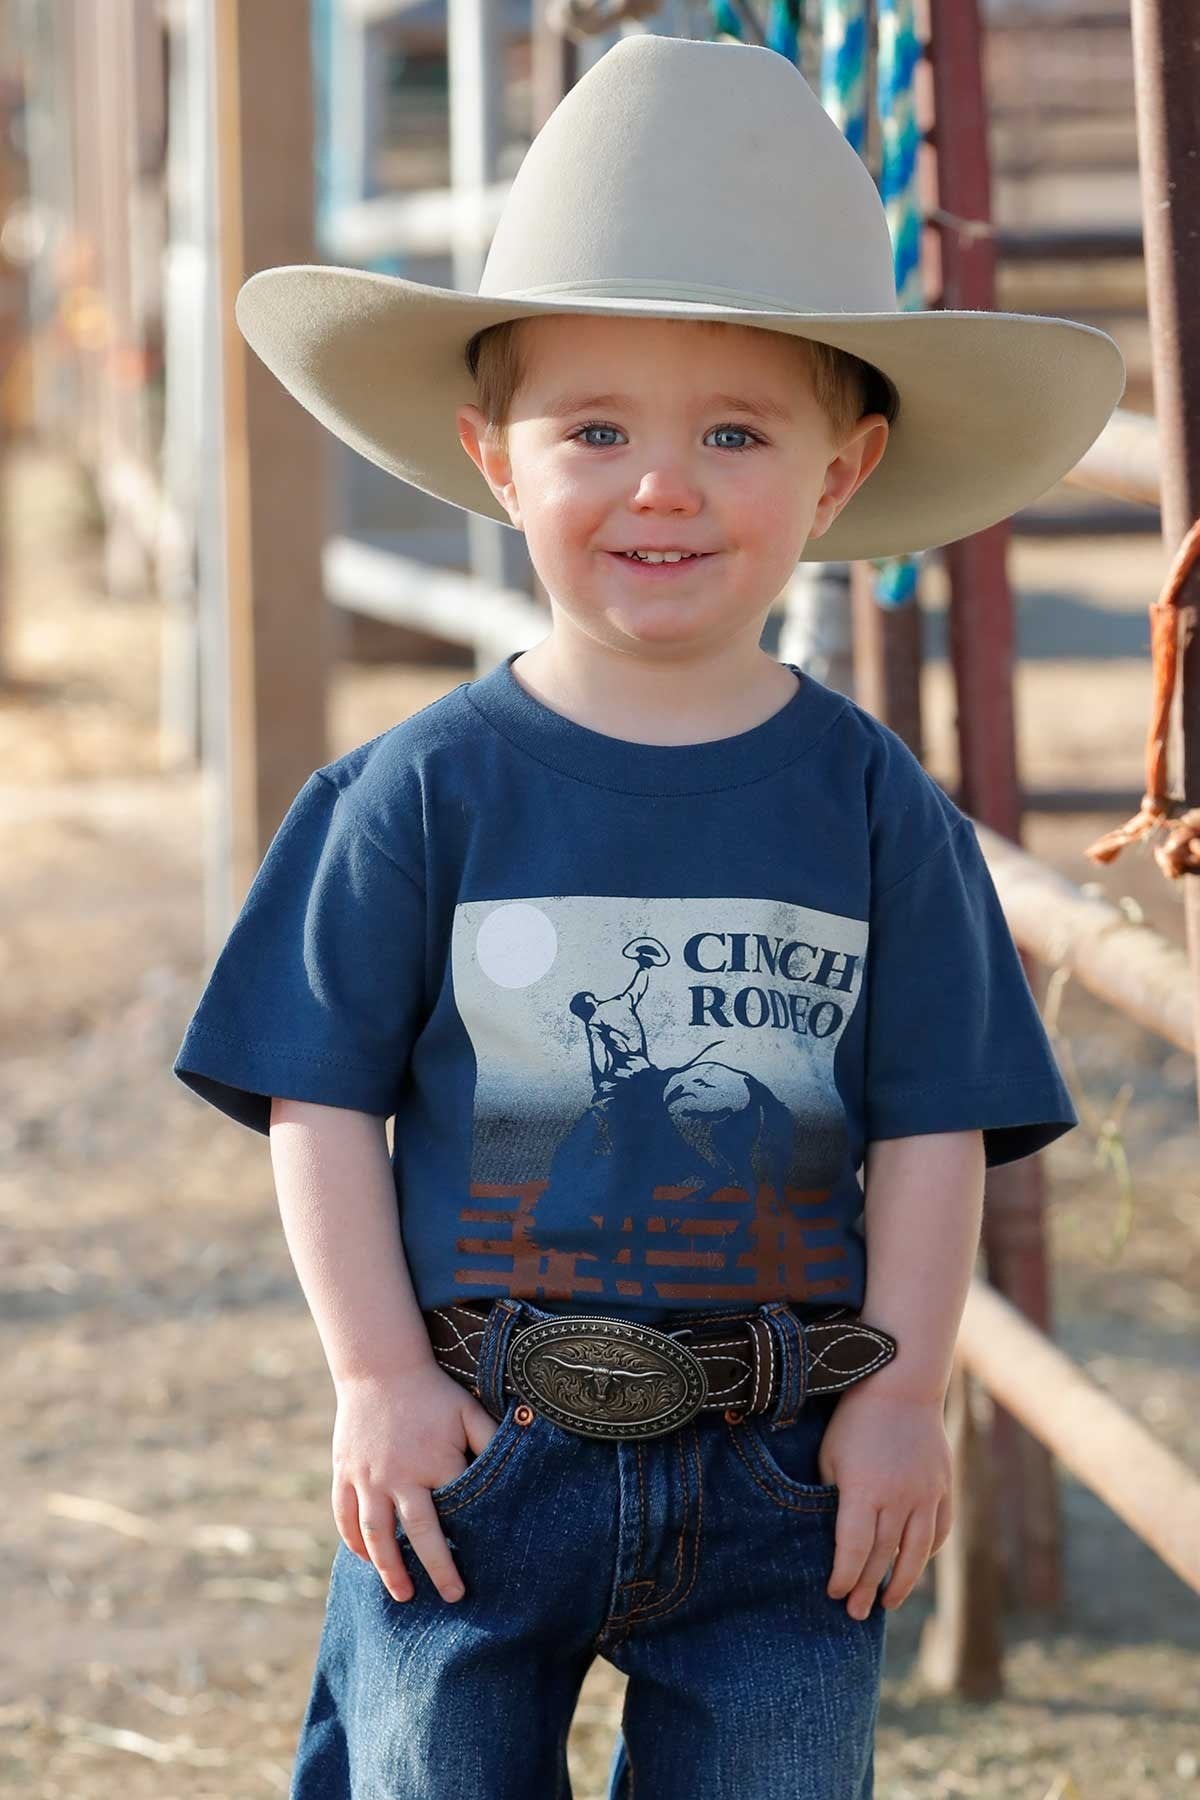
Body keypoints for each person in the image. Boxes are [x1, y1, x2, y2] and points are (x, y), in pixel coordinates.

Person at [172, 33, 1123, 1800]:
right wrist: (376, 1380)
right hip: (481, 1438)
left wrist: (902, 1396)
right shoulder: (420, 794)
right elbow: (320, 1101)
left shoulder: (874, 811)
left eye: (734, 432)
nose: (661, 483)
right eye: (594, 427)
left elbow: (934, 1123)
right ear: (493, 455)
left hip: (784, 1456)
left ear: (840, 479)